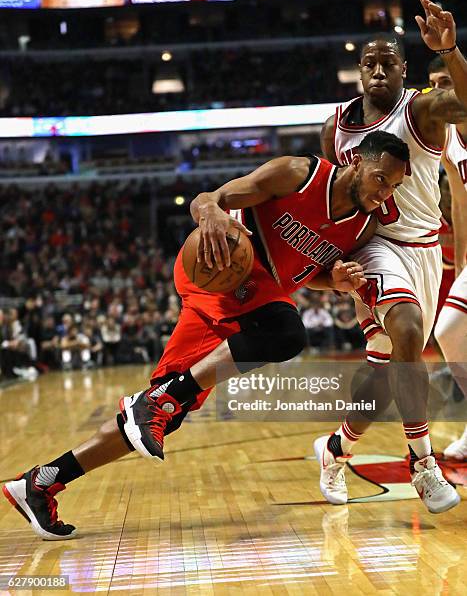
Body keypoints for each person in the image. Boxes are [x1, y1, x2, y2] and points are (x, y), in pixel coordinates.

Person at [2, 131, 409, 540]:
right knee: (286, 333)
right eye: (380, 179)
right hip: (220, 275)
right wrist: (210, 211)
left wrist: (334, 280)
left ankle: (42, 481)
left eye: (394, 186)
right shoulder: (298, 174)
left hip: (253, 298)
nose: (385, 192)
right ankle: (156, 401)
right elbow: (206, 199)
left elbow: (308, 272)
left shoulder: (361, 229)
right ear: (357, 162)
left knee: (165, 413)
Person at [315, 0, 466, 513]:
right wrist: (327, 265)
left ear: (403, 69)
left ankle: (337, 449)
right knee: (406, 331)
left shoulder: (421, 108)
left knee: (384, 374)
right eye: (370, 62)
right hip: (372, 247)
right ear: (359, 70)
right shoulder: (335, 126)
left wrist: (450, 51)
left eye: (389, 62)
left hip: (424, 246)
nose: (379, 69)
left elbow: (466, 106)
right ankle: (423, 463)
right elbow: (324, 198)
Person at [428, 56, 467, 460]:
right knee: (450, 329)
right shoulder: (446, 141)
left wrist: (452, 51)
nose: (440, 89)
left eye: (447, 80)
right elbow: (459, 201)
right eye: (433, 83)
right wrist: (464, 261)